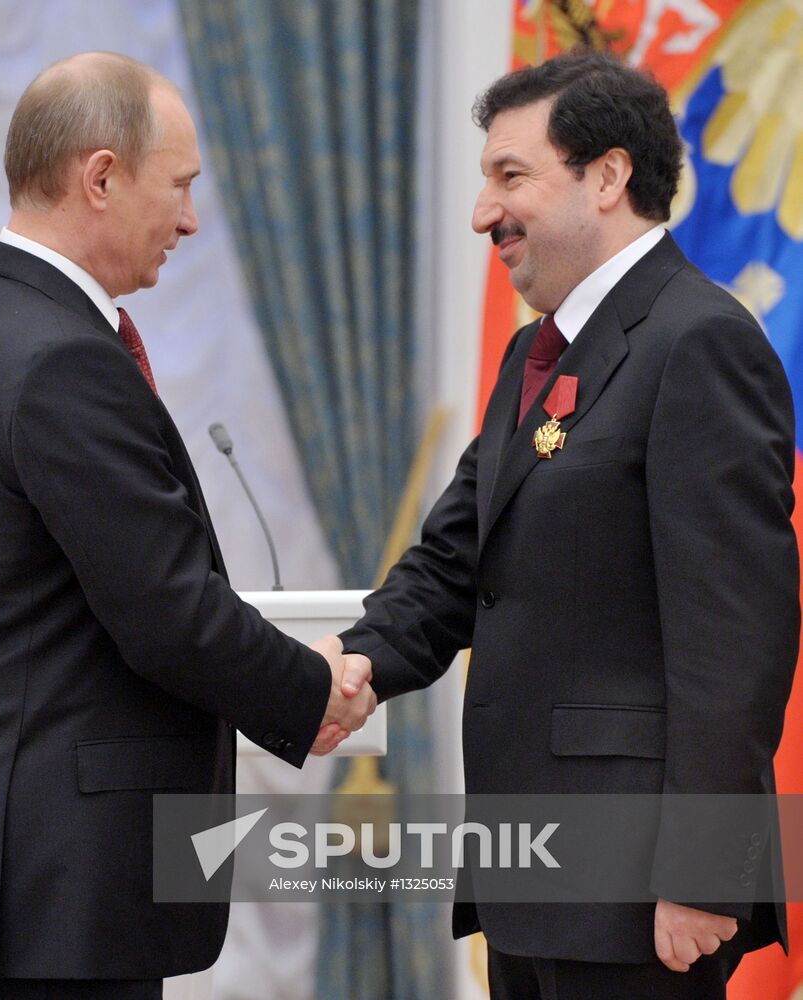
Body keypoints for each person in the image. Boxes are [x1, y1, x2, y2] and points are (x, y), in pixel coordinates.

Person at [0, 51, 374, 1000]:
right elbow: (165, 610)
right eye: (182, 186)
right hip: (56, 889)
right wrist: (308, 687)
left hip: (29, 880)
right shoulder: (57, 359)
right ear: (101, 176)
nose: (191, 219)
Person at [338, 50, 799, 999]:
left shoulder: (698, 341)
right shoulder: (534, 353)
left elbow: (735, 638)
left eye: (511, 177)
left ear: (607, 176)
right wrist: (351, 667)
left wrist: (705, 870)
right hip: (533, 872)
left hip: (640, 896)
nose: (482, 213)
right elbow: (453, 559)